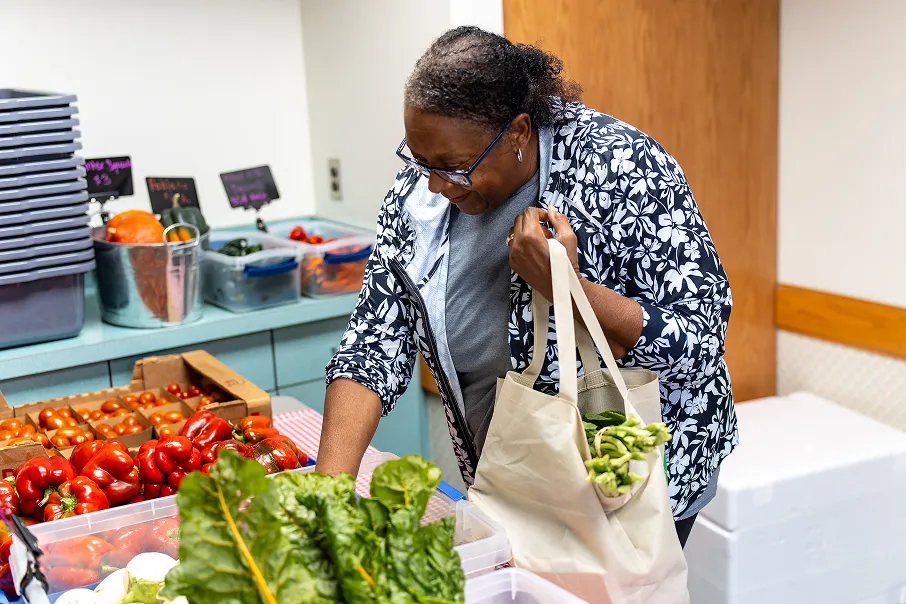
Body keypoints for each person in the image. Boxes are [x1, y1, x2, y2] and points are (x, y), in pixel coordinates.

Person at [316, 26, 738, 547]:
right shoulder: (422, 189)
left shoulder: (621, 165)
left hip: (627, 481)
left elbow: (698, 340)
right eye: (418, 160)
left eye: (454, 167)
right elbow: (373, 341)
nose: (434, 185)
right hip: (511, 474)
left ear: (517, 132)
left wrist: (567, 284)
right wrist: (329, 492)